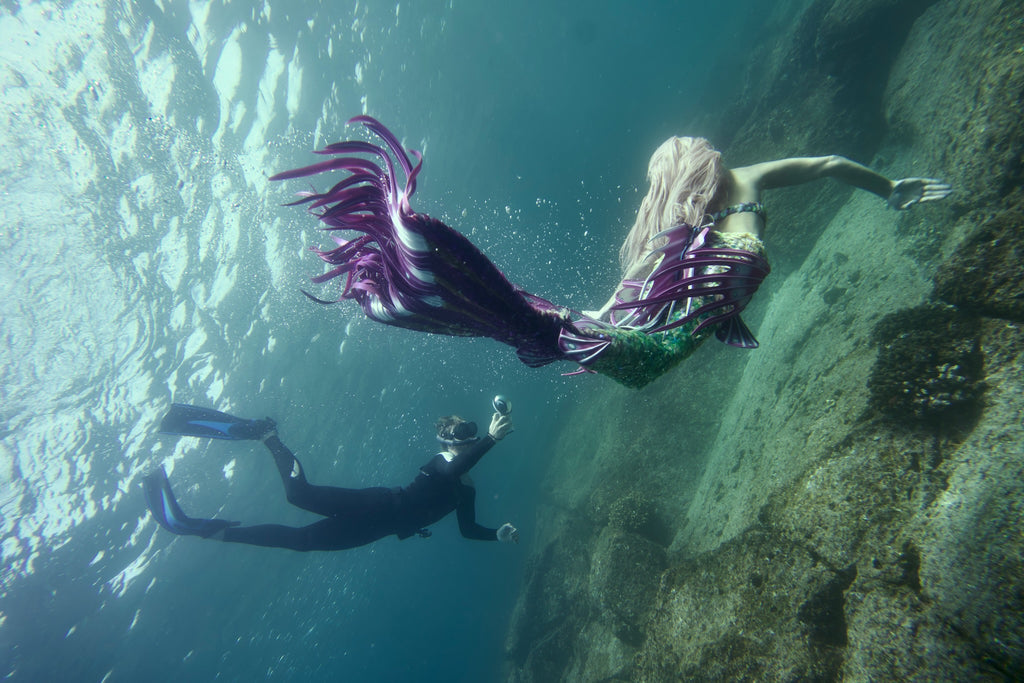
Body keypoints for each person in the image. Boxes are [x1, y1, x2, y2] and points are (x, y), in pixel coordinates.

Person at [270, 116, 952, 389]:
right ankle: (423, 280)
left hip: (649, 350)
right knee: (533, 320)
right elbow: (829, 162)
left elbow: (828, 160)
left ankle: (419, 284)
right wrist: (887, 189)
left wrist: (890, 187)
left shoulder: (700, 224)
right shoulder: (711, 216)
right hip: (649, 349)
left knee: (528, 321)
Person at [144, 403, 519, 551]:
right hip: (378, 503)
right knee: (298, 495)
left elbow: (468, 530)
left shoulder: (465, 491)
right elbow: (453, 468)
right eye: (456, 435)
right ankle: (267, 434)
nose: (460, 441)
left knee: (302, 542)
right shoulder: (442, 461)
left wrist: (495, 534)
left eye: (464, 436)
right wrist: (490, 439)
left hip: (377, 529)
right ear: (446, 441)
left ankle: (210, 530)